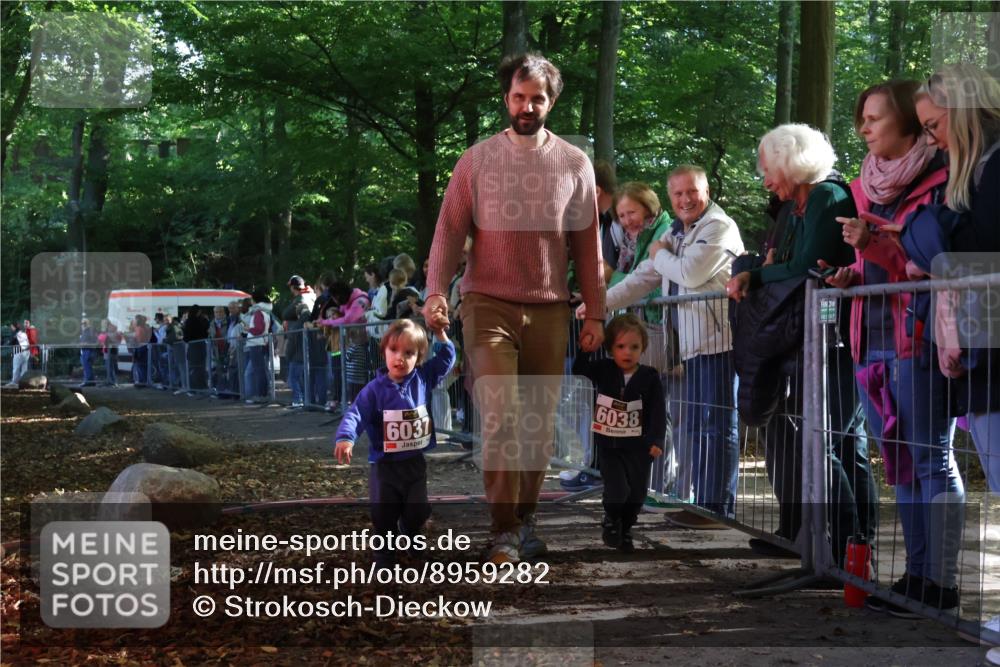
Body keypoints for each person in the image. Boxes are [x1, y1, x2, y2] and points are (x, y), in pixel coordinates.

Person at [423, 51, 605, 564]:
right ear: (507, 99)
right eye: (519, 97)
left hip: (549, 307)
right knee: (502, 415)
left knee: (537, 424)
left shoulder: (574, 163)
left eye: (537, 99)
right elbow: (448, 231)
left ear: (551, 102)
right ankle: (503, 528)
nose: (527, 106)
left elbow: (587, 246)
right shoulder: (476, 160)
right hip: (487, 304)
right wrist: (436, 290)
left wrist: (595, 313)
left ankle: (525, 520)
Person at [822, 79, 964, 615]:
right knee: (899, 460)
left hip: (921, 339)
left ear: (909, 122)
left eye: (874, 118)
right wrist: (848, 275)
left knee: (931, 457)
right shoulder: (863, 187)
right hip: (870, 339)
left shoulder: (945, 181)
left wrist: (876, 246)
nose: (864, 127)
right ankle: (915, 578)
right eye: (862, 118)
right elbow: (871, 263)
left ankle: (942, 583)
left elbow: (926, 264)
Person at [726, 123, 875, 567]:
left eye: (768, 167)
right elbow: (790, 264)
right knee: (837, 440)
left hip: (838, 336)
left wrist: (757, 274)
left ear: (790, 161)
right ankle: (844, 544)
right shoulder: (796, 206)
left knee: (835, 441)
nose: (765, 178)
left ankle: (851, 547)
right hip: (813, 334)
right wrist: (775, 268)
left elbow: (805, 265)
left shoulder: (826, 196)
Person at [589, 165, 745, 525]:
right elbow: (644, 277)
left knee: (717, 423)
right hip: (690, 345)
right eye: (678, 193)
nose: (685, 199)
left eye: (692, 191)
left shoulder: (718, 227)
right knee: (694, 424)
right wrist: (598, 306)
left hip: (719, 342)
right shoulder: (677, 233)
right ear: (670, 197)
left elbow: (689, 273)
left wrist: (659, 254)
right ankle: (699, 501)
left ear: (705, 191)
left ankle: (717, 506)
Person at [334, 319, 456, 568]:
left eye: (409, 353)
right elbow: (356, 413)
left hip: (414, 464)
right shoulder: (374, 389)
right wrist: (346, 438)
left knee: (418, 511)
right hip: (385, 466)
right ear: (384, 352)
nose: (400, 358)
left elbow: (447, 359)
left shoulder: (423, 379)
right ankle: (384, 557)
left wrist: (441, 334)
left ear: (419, 357)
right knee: (383, 514)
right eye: (394, 350)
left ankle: (411, 534)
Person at [571, 314, 666, 552]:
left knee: (637, 492)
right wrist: (585, 350)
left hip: (639, 447)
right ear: (610, 348)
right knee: (617, 488)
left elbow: (658, 411)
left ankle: (625, 527)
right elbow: (579, 369)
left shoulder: (650, 377)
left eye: (634, 347)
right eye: (621, 346)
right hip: (609, 445)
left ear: (643, 348)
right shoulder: (604, 370)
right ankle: (611, 520)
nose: (628, 352)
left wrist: (656, 439)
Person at [244, 291, 276, 404]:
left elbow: (258, 329)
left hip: (256, 343)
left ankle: (261, 395)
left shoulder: (258, 313)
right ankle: (262, 394)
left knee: (258, 371)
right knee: (260, 370)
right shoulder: (264, 312)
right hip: (260, 343)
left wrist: (249, 329)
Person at [6, 322, 30, 387]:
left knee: (16, 367)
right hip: (26, 351)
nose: (11, 328)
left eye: (11, 326)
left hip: (18, 351)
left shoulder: (15, 333)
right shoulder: (23, 333)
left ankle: (14, 382)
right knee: (24, 368)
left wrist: (6, 343)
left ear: (14, 327)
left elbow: (10, 342)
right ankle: (23, 382)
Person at [99, 321, 122, 387]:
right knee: (111, 367)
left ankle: (112, 381)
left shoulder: (109, 332)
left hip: (109, 351)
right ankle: (112, 381)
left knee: (109, 367)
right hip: (113, 351)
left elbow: (104, 340)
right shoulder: (115, 331)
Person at [78, 319, 98, 387]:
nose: (83, 325)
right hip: (85, 350)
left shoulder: (89, 331)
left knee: (87, 367)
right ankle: (91, 381)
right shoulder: (85, 331)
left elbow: (93, 341)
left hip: (88, 350)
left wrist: (84, 344)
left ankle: (88, 381)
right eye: (82, 323)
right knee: (87, 367)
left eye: (84, 323)